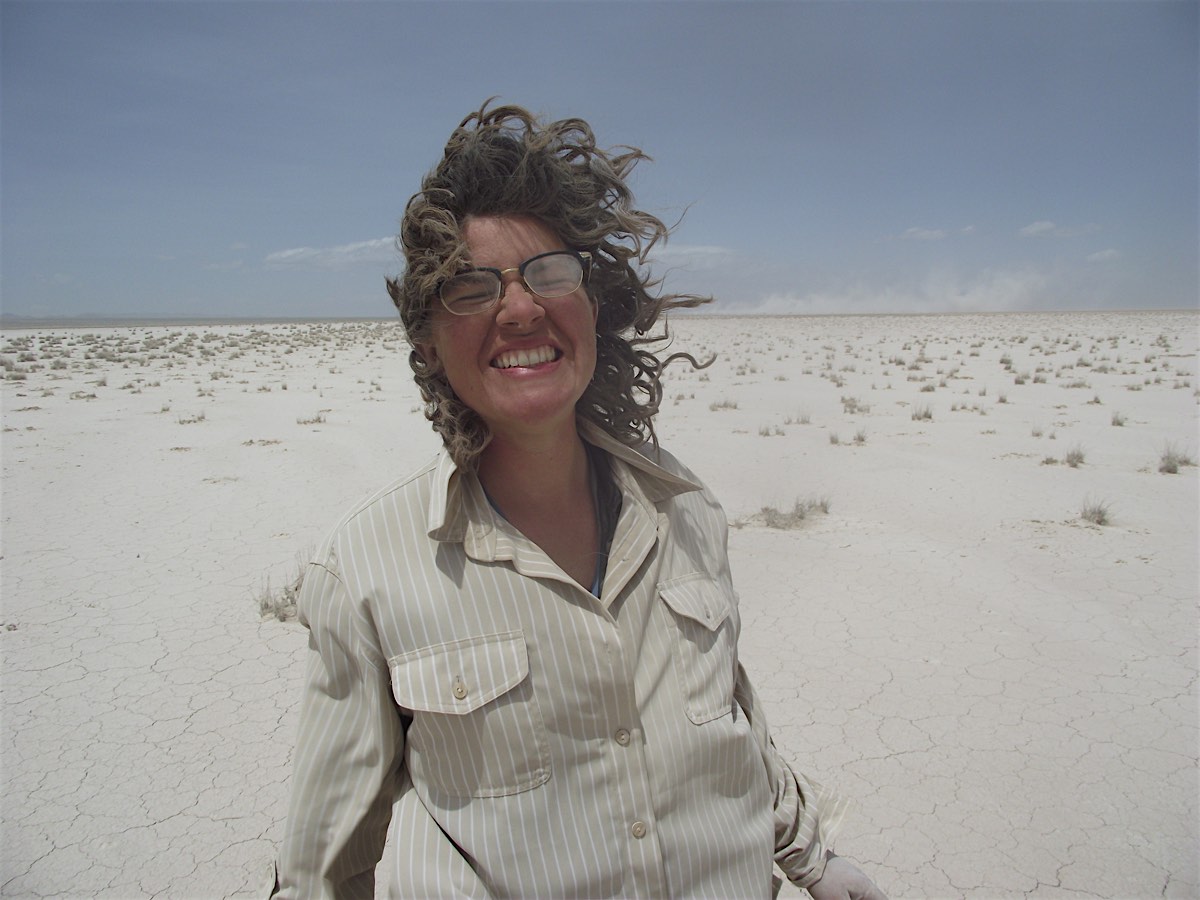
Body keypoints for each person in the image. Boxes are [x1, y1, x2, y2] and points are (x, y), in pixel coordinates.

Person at [273, 101, 886, 900]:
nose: (520, 308)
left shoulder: (686, 509)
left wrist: (817, 860)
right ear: (426, 338)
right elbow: (324, 865)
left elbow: (732, 726)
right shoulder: (365, 569)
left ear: (595, 306)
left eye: (551, 274)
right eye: (470, 288)